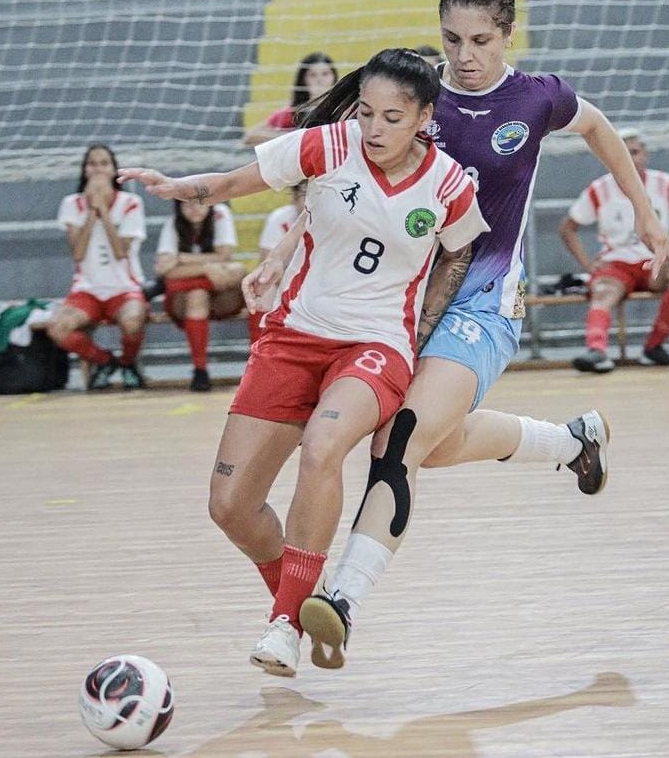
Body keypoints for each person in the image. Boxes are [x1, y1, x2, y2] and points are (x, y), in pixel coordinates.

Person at [297, 0, 669, 671]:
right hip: (402, 301)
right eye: (452, 40)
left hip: (483, 302)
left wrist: (646, 212)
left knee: (398, 441)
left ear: (506, 35)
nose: (464, 58)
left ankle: (341, 599)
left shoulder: (537, 99)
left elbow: (602, 132)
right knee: (435, 446)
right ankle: (570, 440)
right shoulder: (416, 94)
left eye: (480, 41)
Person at [120, 47, 490, 676]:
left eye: (393, 118)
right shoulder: (330, 145)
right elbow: (243, 181)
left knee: (324, 445)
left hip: (375, 346)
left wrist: (423, 327)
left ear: (426, 115)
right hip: (292, 336)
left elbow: (459, 253)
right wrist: (186, 187)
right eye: (367, 112)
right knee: (230, 506)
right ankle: (299, 604)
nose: (375, 128)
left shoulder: (451, 185)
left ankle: (284, 626)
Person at [562, 127, 669, 372]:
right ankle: (597, 351)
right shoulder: (600, 188)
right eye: (623, 152)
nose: (631, 157)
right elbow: (568, 228)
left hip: (654, 261)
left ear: (644, 154)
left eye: (634, 151)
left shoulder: (664, 184)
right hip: (617, 264)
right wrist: (588, 266)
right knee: (602, 290)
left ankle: (654, 347)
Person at [46, 144, 149, 391]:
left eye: (104, 163)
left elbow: (120, 251)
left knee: (134, 320)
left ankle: (127, 363)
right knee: (57, 329)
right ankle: (105, 361)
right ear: (84, 170)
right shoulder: (72, 204)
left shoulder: (131, 202)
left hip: (124, 287)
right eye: (92, 163)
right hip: (87, 289)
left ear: (114, 169)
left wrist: (104, 208)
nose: (98, 169)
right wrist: (93, 211)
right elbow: (78, 253)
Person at [155, 199, 246, 391]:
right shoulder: (173, 223)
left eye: (198, 203)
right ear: (178, 207)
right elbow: (165, 270)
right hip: (185, 300)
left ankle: (261, 366)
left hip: (221, 296)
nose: (194, 208)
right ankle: (200, 370)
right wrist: (207, 268)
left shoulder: (220, 213)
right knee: (198, 294)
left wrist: (182, 259)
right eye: (186, 204)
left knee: (240, 272)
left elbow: (225, 256)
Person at [248, 180, 307, 344]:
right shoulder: (280, 218)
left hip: (325, 283)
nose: (311, 200)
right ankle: (258, 349)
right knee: (262, 287)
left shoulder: (338, 219)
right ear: (294, 198)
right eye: (305, 195)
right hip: (288, 279)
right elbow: (266, 261)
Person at [242, 52, 339, 147]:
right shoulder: (292, 111)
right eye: (312, 75)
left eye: (325, 74)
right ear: (303, 80)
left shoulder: (341, 108)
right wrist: (293, 136)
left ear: (334, 77)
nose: (319, 79)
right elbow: (250, 137)